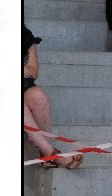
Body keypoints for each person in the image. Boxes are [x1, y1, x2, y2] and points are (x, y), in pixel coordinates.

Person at [24, 25, 82, 168]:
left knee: (38, 95)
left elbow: (33, 71)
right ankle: (54, 156)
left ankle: (46, 156)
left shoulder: (24, 34)